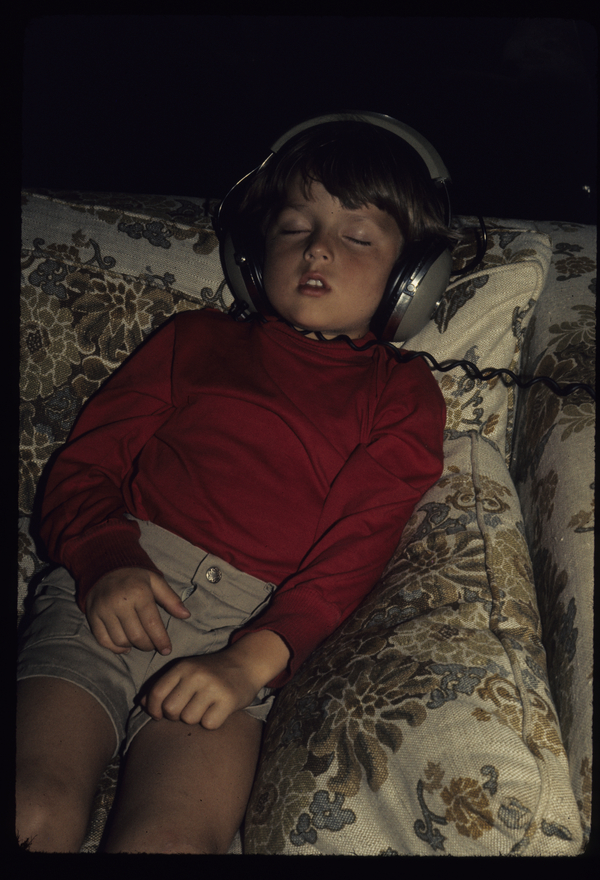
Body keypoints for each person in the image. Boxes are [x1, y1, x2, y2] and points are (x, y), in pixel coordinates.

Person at [16, 116, 449, 853]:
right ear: (253, 256)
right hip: (110, 593)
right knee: (33, 807)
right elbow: (85, 468)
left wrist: (251, 660)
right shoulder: (194, 340)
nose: (317, 249)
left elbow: (357, 551)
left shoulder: (403, 394)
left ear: (413, 279)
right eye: (295, 227)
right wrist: (104, 559)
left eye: (357, 237)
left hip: (244, 636)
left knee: (171, 841)